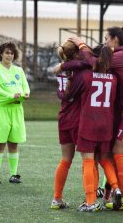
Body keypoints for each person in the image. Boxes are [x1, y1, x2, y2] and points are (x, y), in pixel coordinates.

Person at [63, 45, 122, 212]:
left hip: (89, 122)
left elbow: (69, 96)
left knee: (88, 161)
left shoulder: (85, 75)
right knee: (105, 159)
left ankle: (90, 201)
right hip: (106, 123)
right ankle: (116, 187)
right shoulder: (114, 77)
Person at [0, 42, 30, 184]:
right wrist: (10, 96)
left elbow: (26, 87)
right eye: (6, 52)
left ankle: (13, 174)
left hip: (16, 109)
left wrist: (25, 94)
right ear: (1, 54)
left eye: (12, 53)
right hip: (1, 109)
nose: (9, 55)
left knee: (14, 143)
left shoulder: (18, 71)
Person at [51, 41, 83, 209]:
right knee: (89, 159)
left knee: (65, 160)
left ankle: (56, 198)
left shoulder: (61, 70)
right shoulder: (79, 68)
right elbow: (85, 61)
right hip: (78, 117)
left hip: (63, 116)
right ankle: (90, 199)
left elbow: (62, 94)